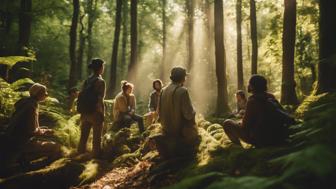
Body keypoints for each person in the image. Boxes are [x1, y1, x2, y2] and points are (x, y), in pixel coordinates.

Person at [0, 83, 61, 171]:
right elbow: (32, 131)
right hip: (22, 143)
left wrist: (43, 129)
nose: (47, 95)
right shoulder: (31, 107)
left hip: (11, 139)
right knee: (56, 146)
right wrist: (46, 131)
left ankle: (24, 161)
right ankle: (38, 169)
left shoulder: (25, 103)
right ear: (38, 94)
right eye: (45, 92)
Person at [222, 75, 291, 147]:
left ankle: (238, 147)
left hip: (260, 140)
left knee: (227, 123)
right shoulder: (271, 96)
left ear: (252, 86)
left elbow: (245, 126)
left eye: (249, 84)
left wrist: (239, 123)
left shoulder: (252, 101)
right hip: (277, 136)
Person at [155, 66, 200, 159]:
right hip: (179, 132)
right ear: (183, 78)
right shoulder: (182, 91)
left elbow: (159, 112)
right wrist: (194, 112)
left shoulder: (163, 90)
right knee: (198, 136)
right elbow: (189, 115)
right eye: (185, 77)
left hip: (166, 129)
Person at [77, 58, 106, 158]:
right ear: (100, 68)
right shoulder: (100, 81)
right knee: (97, 137)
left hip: (85, 112)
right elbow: (100, 99)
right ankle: (95, 158)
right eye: (103, 66)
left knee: (83, 136)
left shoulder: (87, 80)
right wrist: (101, 113)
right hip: (95, 113)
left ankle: (79, 155)